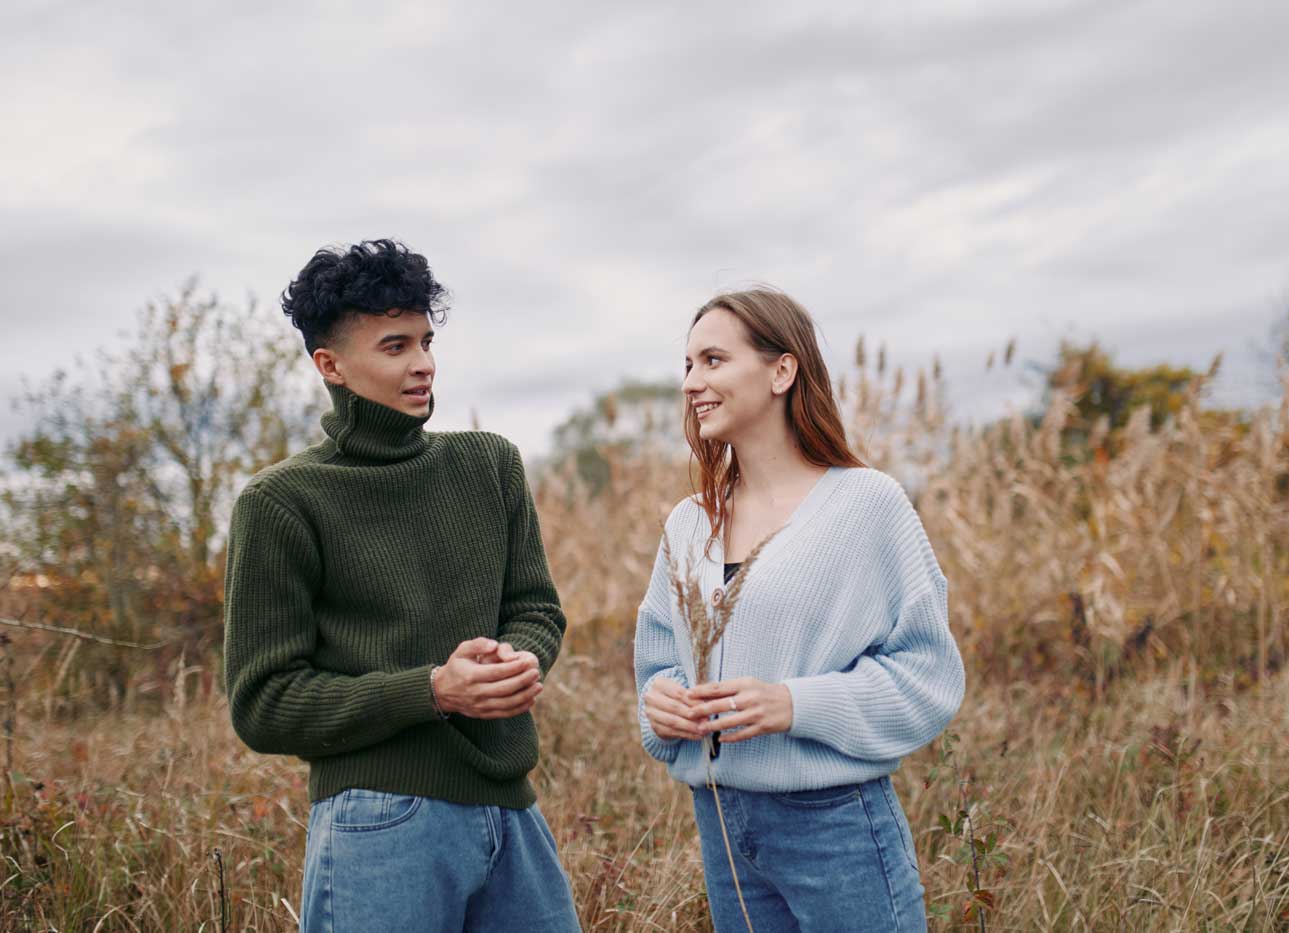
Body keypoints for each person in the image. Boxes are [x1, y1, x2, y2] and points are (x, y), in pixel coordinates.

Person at [223, 239, 580, 932]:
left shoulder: (489, 464)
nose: (422, 363)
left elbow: (535, 608)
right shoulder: (281, 502)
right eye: (394, 346)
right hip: (380, 820)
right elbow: (262, 702)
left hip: (512, 808)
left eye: (425, 340)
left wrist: (521, 657)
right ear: (331, 365)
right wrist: (434, 690)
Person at [634, 287, 965, 932]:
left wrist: (795, 704)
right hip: (723, 826)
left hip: (833, 826)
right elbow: (655, 665)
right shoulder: (688, 523)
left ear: (781, 371)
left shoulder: (868, 506)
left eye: (713, 361)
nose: (691, 384)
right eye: (688, 366)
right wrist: (663, 702)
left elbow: (929, 678)